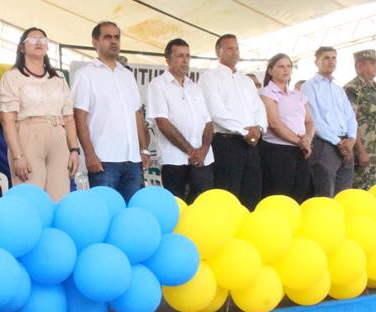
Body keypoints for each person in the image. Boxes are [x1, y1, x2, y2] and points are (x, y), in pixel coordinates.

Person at [0, 27, 80, 201]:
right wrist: (17, 156)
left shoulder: (58, 78)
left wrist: (74, 150)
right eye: (32, 40)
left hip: (58, 134)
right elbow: (8, 121)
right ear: (21, 48)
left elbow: (69, 117)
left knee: (59, 197)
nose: (39, 42)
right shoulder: (12, 77)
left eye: (43, 39)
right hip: (28, 134)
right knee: (31, 197)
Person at [71, 21, 150, 202]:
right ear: (95, 42)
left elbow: (136, 115)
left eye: (117, 37)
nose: (114, 41)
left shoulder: (127, 75)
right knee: (106, 211)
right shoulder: (85, 75)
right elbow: (79, 118)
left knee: (131, 213)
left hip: (132, 160)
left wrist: (144, 149)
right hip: (103, 160)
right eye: (107, 37)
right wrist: (90, 154)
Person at [200, 33, 267, 209]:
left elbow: (258, 107)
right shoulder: (209, 77)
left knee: (251, 195)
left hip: (251, 145)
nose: (235, 52)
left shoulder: (246, 80)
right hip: (227, 143)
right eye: (230, 48)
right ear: (218, 51)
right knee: (228, 196)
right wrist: (246, 131)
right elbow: (216, 112)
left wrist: (258, 129)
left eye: (237, 48)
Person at [145, 38, 213, 203]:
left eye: (188, 56)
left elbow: (208, 123)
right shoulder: (158, 85)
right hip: (174, 159)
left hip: (203, 159)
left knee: (202, 206)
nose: (185, 60)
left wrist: (203, 150)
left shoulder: (194, 87)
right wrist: (191, 151)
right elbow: (162, 122)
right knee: (177, 206)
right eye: (180, 56)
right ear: (168, 60)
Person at [301, 46, 357, 197]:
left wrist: (351, 139)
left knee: (344, 194)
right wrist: (338, 142)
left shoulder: (338, 89)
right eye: (326, 58)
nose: (331, 61)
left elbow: (350, 116)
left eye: (333, 58)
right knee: (326, 193)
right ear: (316, 61)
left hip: (346, 142)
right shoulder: (309, 87)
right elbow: (315, 120)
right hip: (325, 144)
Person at [257, 53, 314, 201]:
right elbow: (274, 123)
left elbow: (310, 122)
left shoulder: (297, 95)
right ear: (270, 71)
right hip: (278, 152)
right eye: (281, 66)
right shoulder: (265, 92)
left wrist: (307, 139)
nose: (286, 70)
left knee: (299, 195)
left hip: (302, 151)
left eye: (288, 66)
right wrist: (300, 142)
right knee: (279, 195)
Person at [344, 49, 376, 190]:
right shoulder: (353, 88)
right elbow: (350, 120)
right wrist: (360, 150)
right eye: (372, 63)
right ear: (359, 66)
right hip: (368, 152)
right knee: (365, 194)